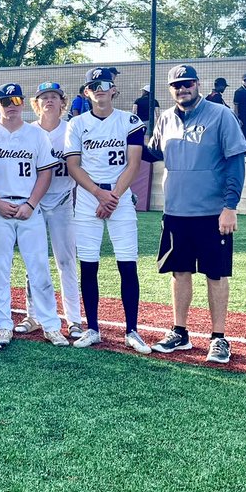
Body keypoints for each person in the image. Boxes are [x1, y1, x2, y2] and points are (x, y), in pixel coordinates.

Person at [147, 64, 246, 364]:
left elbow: (235, 163)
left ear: (198, 84)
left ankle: (218, 338)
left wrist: (230, 207)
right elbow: (151, 152)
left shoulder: (220, 115)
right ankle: (180, 332)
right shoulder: (165, 119)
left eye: (188, 83)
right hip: (176, 211)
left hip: (212, 213)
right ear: (171, 89)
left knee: (215, 274)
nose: (183, 89)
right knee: (180, 273)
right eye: (177, 85)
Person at [64, 67, 150, 354]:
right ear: (86, 92)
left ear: (114, 89)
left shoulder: (129, 120)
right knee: (88, 264)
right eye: (93, 85)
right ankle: (93, 328)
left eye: (105, 84)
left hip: (120, 195)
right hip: (90, 197)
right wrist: (99, 194)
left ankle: (132, 330)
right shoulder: (76, 124)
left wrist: (112, 195)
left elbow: (134, 164)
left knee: (128, 263)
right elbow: (74, 166)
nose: (100, 89)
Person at [0, 83, 65, 349]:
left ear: (23, 103)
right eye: (5, 101)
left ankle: (50, 325)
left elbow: (45, 173)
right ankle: (4, 325)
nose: (11, 105)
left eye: (15, 100)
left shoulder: (36, 134)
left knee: (39, 267)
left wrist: (31, 203)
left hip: (30, 208)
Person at [29, 82, 84, 339]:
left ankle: (73, 319)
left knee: (66, 261)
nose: (49, 101)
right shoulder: (27, 132)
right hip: (35, 202)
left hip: (64, 201)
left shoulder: (71, 130)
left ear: (63, 103)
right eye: (43, 97)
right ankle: (33, 316)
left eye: (54, 97)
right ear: (36, 103)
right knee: (34, 260)